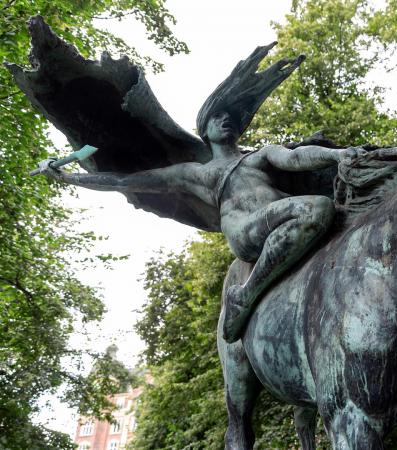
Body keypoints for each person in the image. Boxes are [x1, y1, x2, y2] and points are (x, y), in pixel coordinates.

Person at [36, 46, 355, 342]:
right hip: (247, 231)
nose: (226, 119)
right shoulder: (198, 174)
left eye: (230, 116)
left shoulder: (261, 155)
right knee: (317, 209)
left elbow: (297, 157)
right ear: (205, 128)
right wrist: (68, 177)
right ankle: (245, 295)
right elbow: (125, 181)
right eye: (218, 116)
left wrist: (338, 156)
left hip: (282, 219)